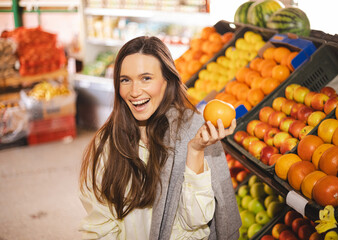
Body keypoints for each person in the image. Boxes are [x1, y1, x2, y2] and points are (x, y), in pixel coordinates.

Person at [79, 36, 242, 239]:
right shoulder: (106, 144)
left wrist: (195, 151)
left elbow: (196, 223)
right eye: (125, 80)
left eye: (146, 78)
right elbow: (99, 226)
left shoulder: (194, 131)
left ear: (167, 81)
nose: (134, 91)